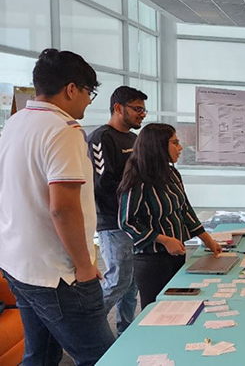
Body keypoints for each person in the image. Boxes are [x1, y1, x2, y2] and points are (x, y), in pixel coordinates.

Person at [0, 49, 114, 365]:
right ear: (71, 89)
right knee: (105, 357)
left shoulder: (16, 122)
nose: (89, 101)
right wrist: (84, 267)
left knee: (40, 357)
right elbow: (63, 208)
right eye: (89, 92)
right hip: (57, 275)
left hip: (18, 265)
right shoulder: (63, 131)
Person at [118, 123, 222, 309]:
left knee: (178, 307)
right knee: (155, 311)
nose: (180, 148)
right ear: (158, 146)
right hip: (152, 261)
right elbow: (127, 222)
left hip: (176, 255)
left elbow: (184, 210)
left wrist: (207, 240)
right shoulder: (138, 179)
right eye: (175, 143)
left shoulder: (172, 173)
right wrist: (164, 240)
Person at [87, 86, 147, 335]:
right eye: (137, 109)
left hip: (134, 222)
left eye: (143, 110)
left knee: (131, 284)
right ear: (118, 108)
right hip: (113, 222)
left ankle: (125, 331)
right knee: (117, 280)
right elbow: (102, 183)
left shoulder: (134, 140)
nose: (142, 115)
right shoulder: (101, 137)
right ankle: (85, 331)